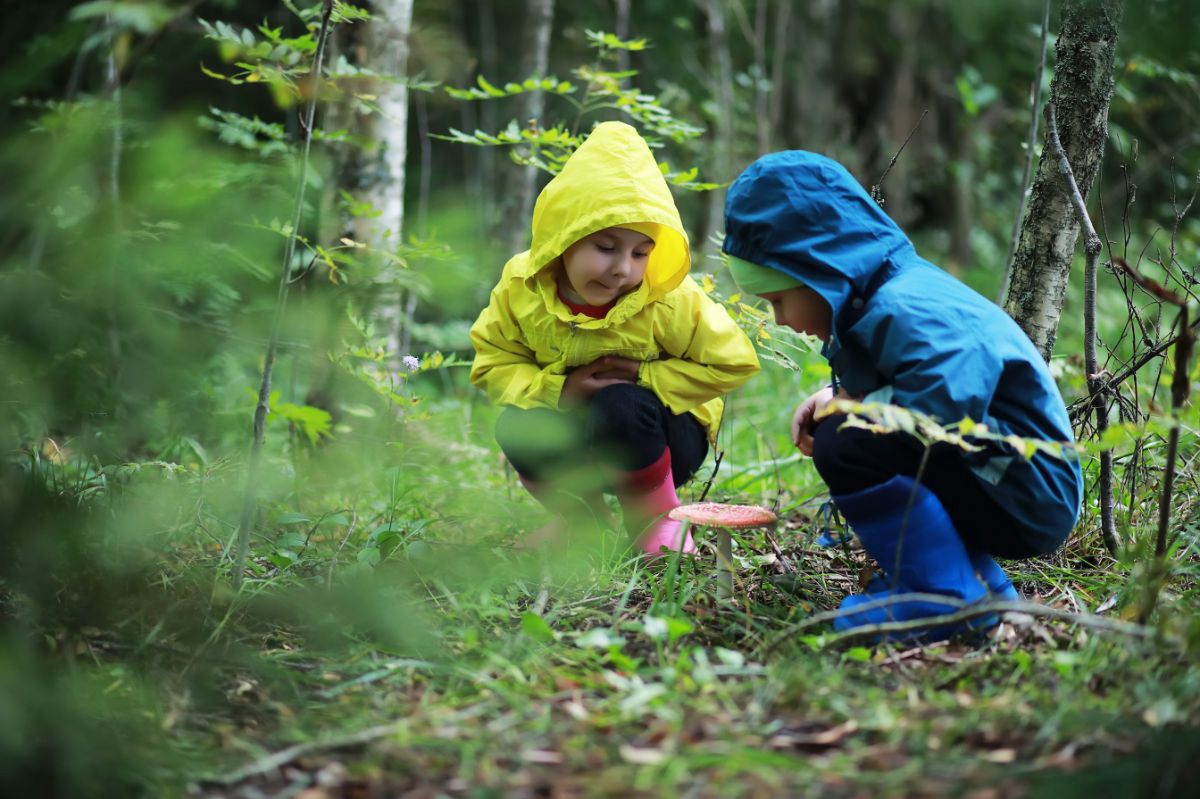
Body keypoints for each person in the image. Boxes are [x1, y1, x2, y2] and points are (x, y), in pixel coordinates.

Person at [722, 150, 1082, 640]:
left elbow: (942, 406)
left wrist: (850, 407)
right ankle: (978, 585)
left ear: (820, 273)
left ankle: (940, 602)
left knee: (847, 441)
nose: (780, 319)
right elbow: (910, 381)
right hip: (1001, 476)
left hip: (1024, 490)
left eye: (779, 299)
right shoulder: (881, 297)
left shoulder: (910, 303)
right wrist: (840, 392)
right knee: (851, 429)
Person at [470, 121, 760, 555]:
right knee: (517, 424)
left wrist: (647, 374)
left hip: (660, 440)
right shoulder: (522, 285)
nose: (622, 268)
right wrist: (560, 389)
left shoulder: (668, 300)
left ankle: (658, 522)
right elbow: (492, 361)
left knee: (620, 403)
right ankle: (584, 524)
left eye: (640, 253)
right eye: (605, 248)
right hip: (577, 435)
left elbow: (734, 361)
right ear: (563, 239)